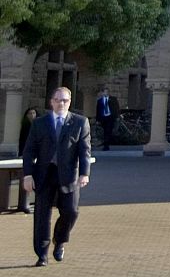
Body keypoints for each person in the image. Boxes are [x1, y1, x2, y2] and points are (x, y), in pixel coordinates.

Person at [21, 87, 91, 266]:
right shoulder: (40, 123)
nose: (61, 103)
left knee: (71, 211)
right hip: (44, 174)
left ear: (69, 102)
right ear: (51, 102)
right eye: (58, 100)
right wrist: (28, 175)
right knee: (42, 216)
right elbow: (29, 151)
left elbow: (84, 151)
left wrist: (85, 173)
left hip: (69, 175)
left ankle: (59, 241)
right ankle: (42, 255)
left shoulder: (80, 122)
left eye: (65, 100)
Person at [15, 108, 37, 213]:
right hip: (26, 155)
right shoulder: (26, 126)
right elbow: (22, 141)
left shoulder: (39, 126)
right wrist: (21, 154)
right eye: (29, 113)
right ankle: (25, 204)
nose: (31, 115)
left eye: (33, 113)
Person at [95, 86, 117, 150]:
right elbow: (98, 110)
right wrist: (97, 119)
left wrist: (116, 116)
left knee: (108, 131)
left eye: (106, 92)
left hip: (110, 117)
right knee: (105, 131)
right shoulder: (100, 101)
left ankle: (106, 145)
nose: (105, 93)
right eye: (104, 92)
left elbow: (116, 108)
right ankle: (106, 143)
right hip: (103, 117)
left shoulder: (113, 99)